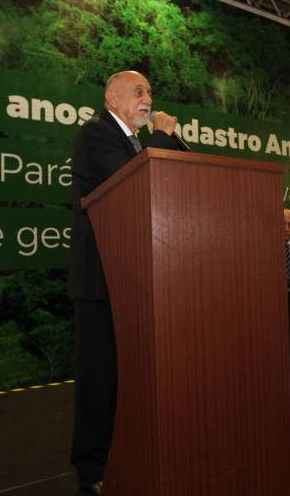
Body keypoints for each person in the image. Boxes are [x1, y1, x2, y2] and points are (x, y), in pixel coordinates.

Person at [68, 70, 182, 495]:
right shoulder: (97, 133)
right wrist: (161, 136)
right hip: (102, 278)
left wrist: (170, 140)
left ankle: (127, 454)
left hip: (134, 277)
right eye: (138, 91)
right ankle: (93, 469)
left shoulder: (135, 141)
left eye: (150, 91)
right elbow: (132, 181)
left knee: (130, 377)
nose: (148, 98)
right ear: (112, 98)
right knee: (100, 378)